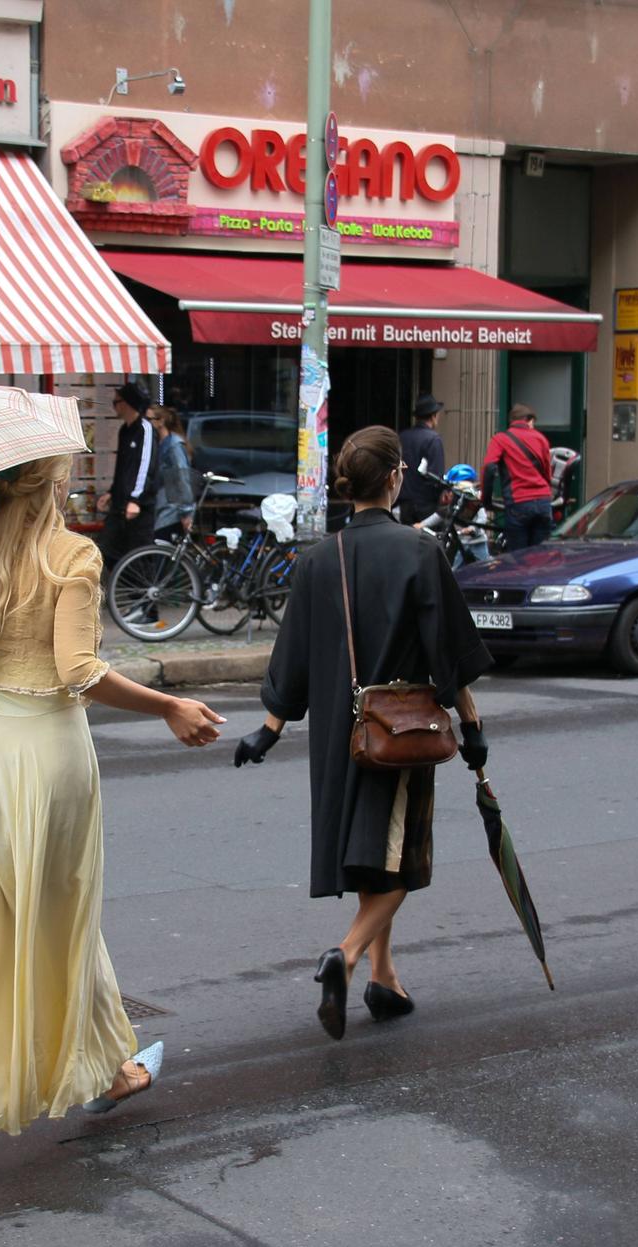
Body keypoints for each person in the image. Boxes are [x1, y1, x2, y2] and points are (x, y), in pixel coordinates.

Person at [0, 454, 225, 1186]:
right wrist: (171, 705)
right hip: (50, 760)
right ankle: (107, 1075)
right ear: (48, 485)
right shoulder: (70, 554)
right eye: (62, 477)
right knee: (63, 927)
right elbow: (78, 669)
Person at [228, 426, 490, 1040]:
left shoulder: (320, 558)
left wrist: (268, 729)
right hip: (397, 734)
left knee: (372, 854)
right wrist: (473, 729)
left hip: (336, 736)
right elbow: (448, 656)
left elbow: (290, 654)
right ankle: (343, 958)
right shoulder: (420, 552)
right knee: (400, 861)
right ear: (396, 477)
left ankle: (385, 978)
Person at [94, 383, 162, 565]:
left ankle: (142, 592)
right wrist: (111, 492)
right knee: (106, 549)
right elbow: (123, 467)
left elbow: (146, 466)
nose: (114, 406)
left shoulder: (145, 429)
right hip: (120, 503)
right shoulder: (125, 430)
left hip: (138, 506)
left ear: (127, 403)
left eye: (117, 401)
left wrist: (136, 499)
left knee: (138, 556)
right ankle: (117, 589)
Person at [482, 404, 555, 549]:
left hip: (519, 502)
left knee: (518, 558)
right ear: (528, 420)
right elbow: (547, 473)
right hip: (543, 502)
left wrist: (486, 499)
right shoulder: (541, 439)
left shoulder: (500, 439)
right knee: (540, 556)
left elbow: (489, 467)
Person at [396, 394, 448, 526]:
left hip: (404, 502)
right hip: (426, 504)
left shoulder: (402, 437)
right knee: (429, 543)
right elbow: (435, 475)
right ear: (433, 416)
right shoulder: (433, 439)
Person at [149, 405, 195, 542]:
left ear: (160, 421)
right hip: (162, 508)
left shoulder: (173, 446)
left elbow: (182, 478)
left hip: (172, 512)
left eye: (149, 419)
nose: (146, 423)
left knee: (164, 552)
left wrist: (186, 512)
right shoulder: (159, 444)